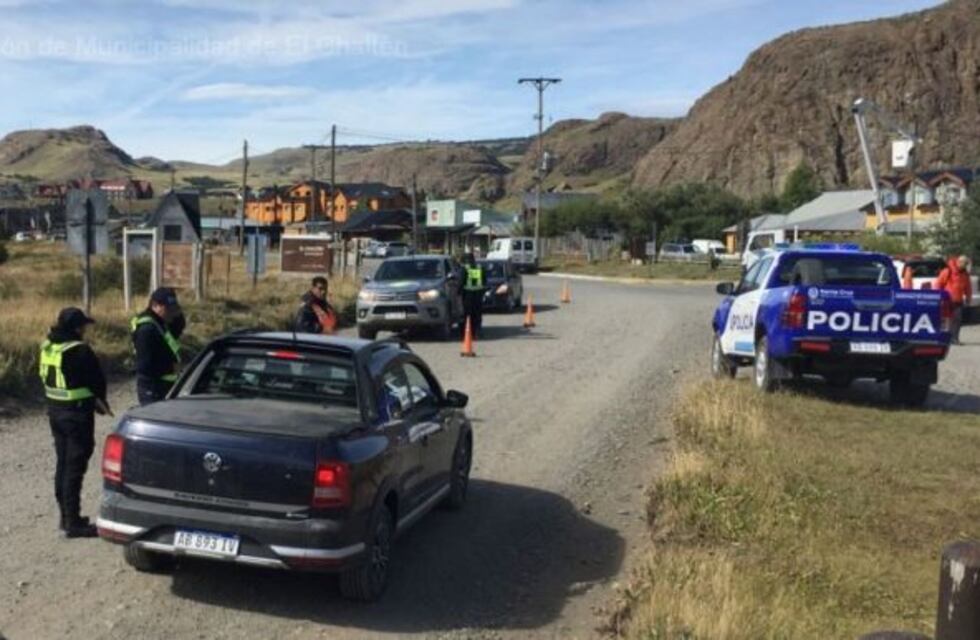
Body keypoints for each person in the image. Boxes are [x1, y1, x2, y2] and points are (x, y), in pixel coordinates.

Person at [39, 307, 112, 538]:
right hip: (77, 414)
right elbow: (96, 381)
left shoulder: (48, 346)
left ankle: (66, 517)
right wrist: (100, 401)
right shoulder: (79, 350)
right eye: (83, 326)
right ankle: (73, 523)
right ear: (77, 328)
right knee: (74, 467)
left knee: (63, 464)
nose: (85, 330)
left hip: (55, 412)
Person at [132, 287, 185, 405]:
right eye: (168, 309)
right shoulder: (146, 329)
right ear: (155, 305)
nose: (171, 312)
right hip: (153, 388)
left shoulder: (160, 322)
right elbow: (145, 366)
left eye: (173, 308)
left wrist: (178, 312)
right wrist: (172, 368)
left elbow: (178, 328)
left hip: (164, 386)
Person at [934, 255, 973, 345]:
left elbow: (968, 288)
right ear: (960, 262)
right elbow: (938, 284)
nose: (966, 265)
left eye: (967, 264)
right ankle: (942, 338)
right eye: (965, 263)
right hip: (947, 300)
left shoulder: (965, 274)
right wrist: (938, 297)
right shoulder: (948, 271)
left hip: (958, 301)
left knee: (958, 320)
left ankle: (954, 338)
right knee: (945, 320)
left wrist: (968, 298)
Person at [461, 253, 487, 337]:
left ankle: (468, 332)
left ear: (467, 260)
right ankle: (478, 331)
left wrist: (459, 292)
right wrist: (483, 291)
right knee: (477, 314)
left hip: (468, 295)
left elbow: (461, 281)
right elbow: (484, 281)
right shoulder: (480, 268)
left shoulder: (465, 269)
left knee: (468, 314)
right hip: (478, 295)